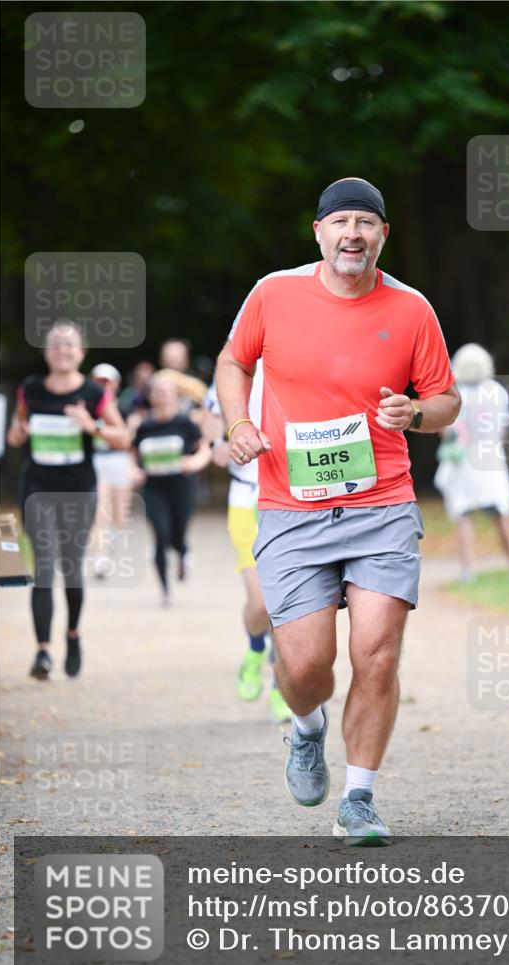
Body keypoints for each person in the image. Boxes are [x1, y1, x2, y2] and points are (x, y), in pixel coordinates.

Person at [216, 177, 460, 845]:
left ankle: (358, 798)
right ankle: (306, 727)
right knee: (303, 667)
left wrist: (413, 412)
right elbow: (233, 362)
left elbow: (444, 400)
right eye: (340, 221)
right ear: (318, 231)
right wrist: (238, 423)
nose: (352, 232)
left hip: (380, 503)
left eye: (366, 222)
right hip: (291, 507)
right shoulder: (273, 293)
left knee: (376, 655)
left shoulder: (411, 310)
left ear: (383, 235)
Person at [6, 321, 128, 679]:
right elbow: (19, 429)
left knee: (71, 568)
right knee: (43, 564)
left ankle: (73, 634)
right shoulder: (30, 388)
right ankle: (43, 651)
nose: (62, 350)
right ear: (46, 352)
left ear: (82, 352)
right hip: (37, 487)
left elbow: (122, 437)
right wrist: (16, 432)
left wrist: (92, 426)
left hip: (77, 489)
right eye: (55, 344)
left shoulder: (93, 394)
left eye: (69, 344)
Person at [204, 366, 291, 724]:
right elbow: (209, 412)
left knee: (288, 604)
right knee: (260, 604)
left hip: (291, 499)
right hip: (248, 498)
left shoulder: (296, 357)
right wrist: (215, 446)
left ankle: (281, 688)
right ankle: (256, 649)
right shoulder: (235, 367)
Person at [433, 343, 509, 582]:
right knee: (501, 513)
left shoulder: (456, 395)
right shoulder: (497, 391)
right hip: (491, 458)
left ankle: (467, 570)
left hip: (463, 460)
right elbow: (503, 430)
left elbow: (446, 431)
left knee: (463, 515)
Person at [132, 375, 211, 606]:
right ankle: (165, 590)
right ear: (151, 397)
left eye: (168, 391)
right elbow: (132, 453)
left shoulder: (186, 423)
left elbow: (204, 447)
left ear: (177, 396)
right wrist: (134, 471)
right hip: (154, 489)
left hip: (182, 487)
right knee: (160, 535)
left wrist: (195, 462)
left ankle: (182, 552)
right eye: (158, 391)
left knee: (177, 536)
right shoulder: (144, 426)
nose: (163, 396)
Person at [90, 364, 135, 580]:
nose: (104, 386)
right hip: (98, 461)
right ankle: (100, 557)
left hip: (120, 461)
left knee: (119, 515)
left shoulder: (124, 408)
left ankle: (110, 538)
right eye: (100, 381)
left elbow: (130, 440)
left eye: (108, 381)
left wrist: (134, 466)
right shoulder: (87, 407)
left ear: (116, 384)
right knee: (100, 511)